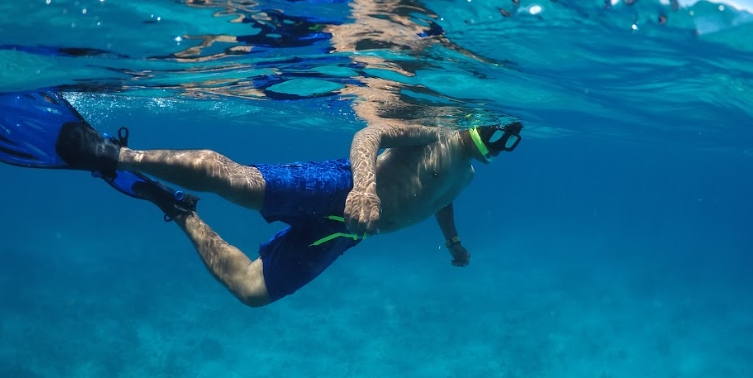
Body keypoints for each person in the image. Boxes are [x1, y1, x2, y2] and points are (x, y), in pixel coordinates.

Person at [53, 115, 523, 307]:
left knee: (253, 291)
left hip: (348, 232)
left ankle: (177, 210)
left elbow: (442, 197)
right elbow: (367, 135)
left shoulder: (471, 171)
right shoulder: (433, 129)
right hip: (342, 188)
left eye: (509, 140)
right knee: (237, 183)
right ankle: (117, 156)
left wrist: (454, 241)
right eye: (501, 133)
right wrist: (363, 187)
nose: (502, 145)